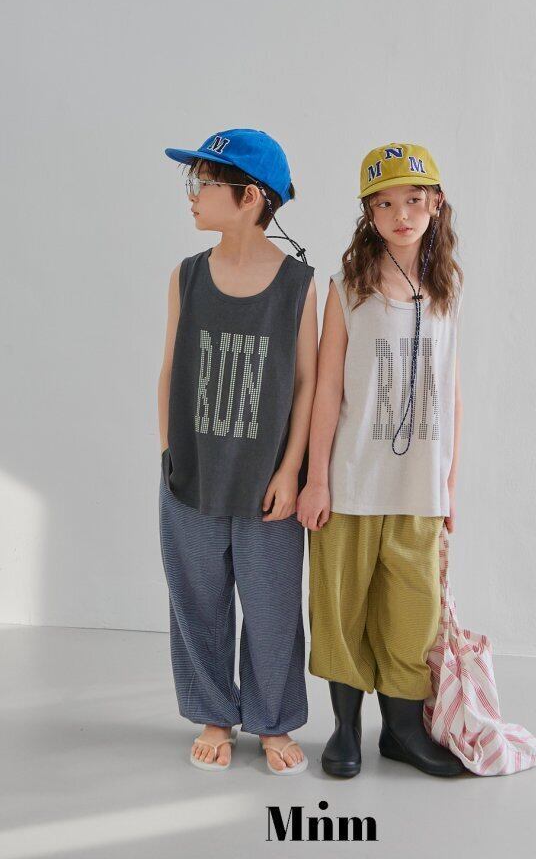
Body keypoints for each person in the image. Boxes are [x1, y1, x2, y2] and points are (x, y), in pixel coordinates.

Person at [297, 141, 466, 778]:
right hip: (350, 481)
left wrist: (450, 483)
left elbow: (452, 388)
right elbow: (327, 388)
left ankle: (402, 730)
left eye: (414, 200)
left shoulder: (446, 289)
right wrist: (316, 479)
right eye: (386, 203)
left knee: (413, 612)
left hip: (420, 485)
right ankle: (345, 728)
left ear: (436, 204)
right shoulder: (348, 289)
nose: (402, 215)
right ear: (368, 212)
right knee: (341, 609)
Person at [159, 129, 317, 774]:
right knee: (197, 602)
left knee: (273, 607)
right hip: (191, 476)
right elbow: (169, 369)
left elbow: (306, 383)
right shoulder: (188, 275)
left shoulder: (299, 285)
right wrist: (170, 453)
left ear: (250, 197)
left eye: (203, 182)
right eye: (192, 181)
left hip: (266, 484)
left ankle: (273, 721)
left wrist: (290, 469)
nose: (192, 194)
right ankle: (214, 715)